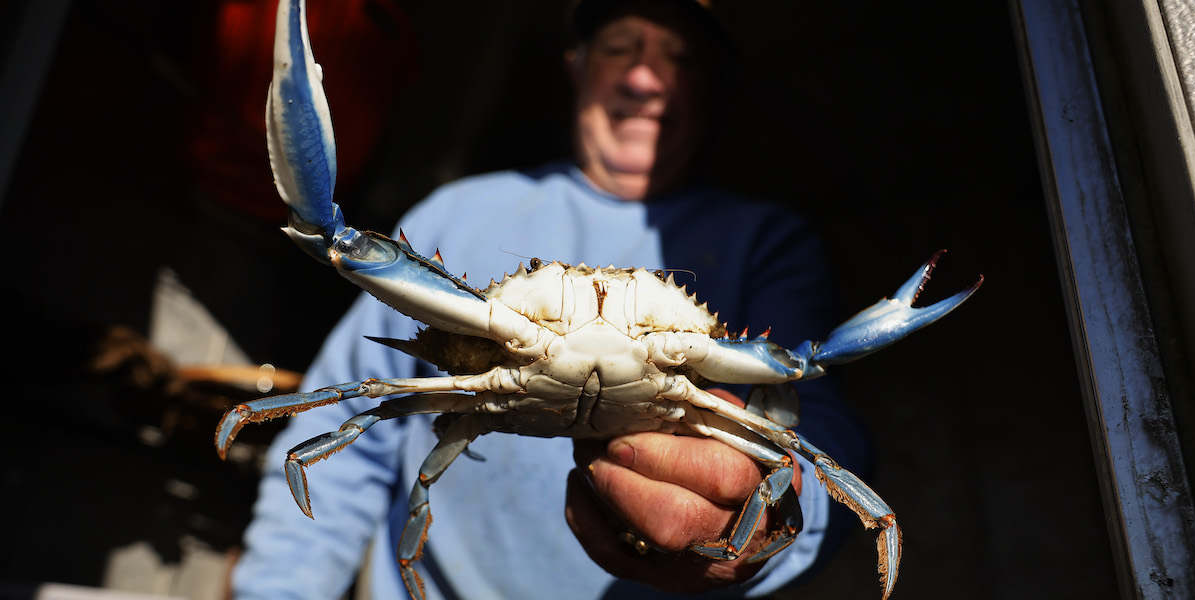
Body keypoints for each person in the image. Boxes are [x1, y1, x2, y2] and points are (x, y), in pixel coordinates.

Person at [232, 0, 870, 598]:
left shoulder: (766, 242)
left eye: (682, 58)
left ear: (713, 88)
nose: (647, 79)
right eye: (622, 48)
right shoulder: (455, 215)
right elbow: (348, 413)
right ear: (578, 66)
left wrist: (777, 517)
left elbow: (809, 407)